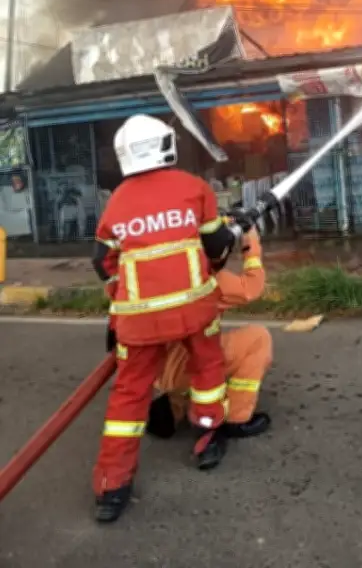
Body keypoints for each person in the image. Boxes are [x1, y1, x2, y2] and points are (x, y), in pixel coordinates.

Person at [90, 113, 234, 524]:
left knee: (128, 397)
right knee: (207, 367)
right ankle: (207, 438)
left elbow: (102, 262)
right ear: (167, 145)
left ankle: (112, 487)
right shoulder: (194, 188)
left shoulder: (116, 201)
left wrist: (124, 295)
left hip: (137, 324)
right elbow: (217, 246)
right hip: (194, 312)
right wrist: (233, 238)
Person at [146, 224, 273, 440]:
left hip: (155, 368)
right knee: (258, 339)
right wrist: (250, 243)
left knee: (185, 344)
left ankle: (175, 405)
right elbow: (252, 288)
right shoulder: (209, 279)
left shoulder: (153, 272)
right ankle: (237, 418)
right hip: (193, 365)